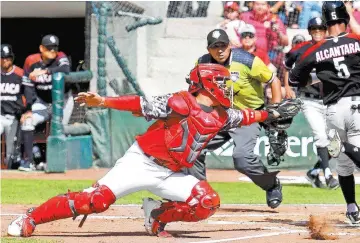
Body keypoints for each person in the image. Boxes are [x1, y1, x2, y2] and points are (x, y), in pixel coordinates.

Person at [7, 63, 300, 238]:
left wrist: (272, 114)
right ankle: (31, 219)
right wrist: (104, 101)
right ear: (208, 84)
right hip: (141, 162)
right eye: (222, 81)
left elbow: (249, 116)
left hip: (172, 173)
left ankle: (157, 216)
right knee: (94, 201)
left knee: (207, 202)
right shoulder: (181, 102)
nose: (226, 86)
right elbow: (141, 104)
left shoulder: (223, 114)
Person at [289, 2, 360, 224]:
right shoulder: (357, 40)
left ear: (325, 21)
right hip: (359, 107)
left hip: (332, 111)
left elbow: (293, 79)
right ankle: (344, 147)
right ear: (345, 19)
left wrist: (320, 75)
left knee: (344, 167)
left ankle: (351, 207)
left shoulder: (315, 49)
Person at [185, 28, 288, 209]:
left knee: (242, 158)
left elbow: (274, 80)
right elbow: (193, 90)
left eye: (223, 45)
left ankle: (271, 185)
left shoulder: (247, 60)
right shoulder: (201, 63)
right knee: (193, 147)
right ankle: (201, 194)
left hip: (247, 116)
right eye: (214, 46)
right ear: (208, 49)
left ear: (230, 45)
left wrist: (274, 109)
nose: (219, 50)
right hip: (219, 114)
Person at [284, 18, 339, 190]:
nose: (317, 31)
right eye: (313, 28)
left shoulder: (334, 47)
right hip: (309, 100)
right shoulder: (300, 49)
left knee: (338, 142)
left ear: (326, 30)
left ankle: (314, 172)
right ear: (309, 31)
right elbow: (286, 65)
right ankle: (328, 176)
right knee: (321, 136)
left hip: (331, 100)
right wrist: (287, 87)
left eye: (320, 28)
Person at [19, 34, 72, 171]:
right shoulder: (31, 61)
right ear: (41, 48)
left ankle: (59, 164)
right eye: (49, 48)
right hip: (42, 102)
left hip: (63, 101)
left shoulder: (61, 56)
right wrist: (28, 109)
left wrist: (46, 71)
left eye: (54, 48)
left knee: (61, 130)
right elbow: (28, 87)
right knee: (27, 121)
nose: (52, 51)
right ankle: (29, 162)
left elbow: (66, 69)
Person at [1, 44, 27, 169]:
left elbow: (27, 95)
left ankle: (9, 170)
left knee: (11, 149)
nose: (5, 60)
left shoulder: (20, 74)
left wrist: (23, 111)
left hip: (13, 117)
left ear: (12, 58)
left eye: (7, 58)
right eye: (2, 58)